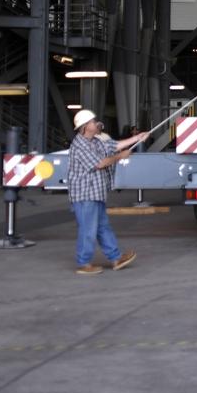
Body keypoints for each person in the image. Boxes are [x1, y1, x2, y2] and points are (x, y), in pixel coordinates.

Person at [66, 110, 147, 275]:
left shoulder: (96, 141)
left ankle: (116, 258)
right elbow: (100, 163)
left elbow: (114, 145)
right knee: (88, 229)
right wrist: (120, 157)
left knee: (103, 227)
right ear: (84, 127)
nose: (96, 123)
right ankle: (84, 263)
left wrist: (137, 138)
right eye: (92, 122)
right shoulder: (79, 145)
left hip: (96, 193)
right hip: (84, 195)